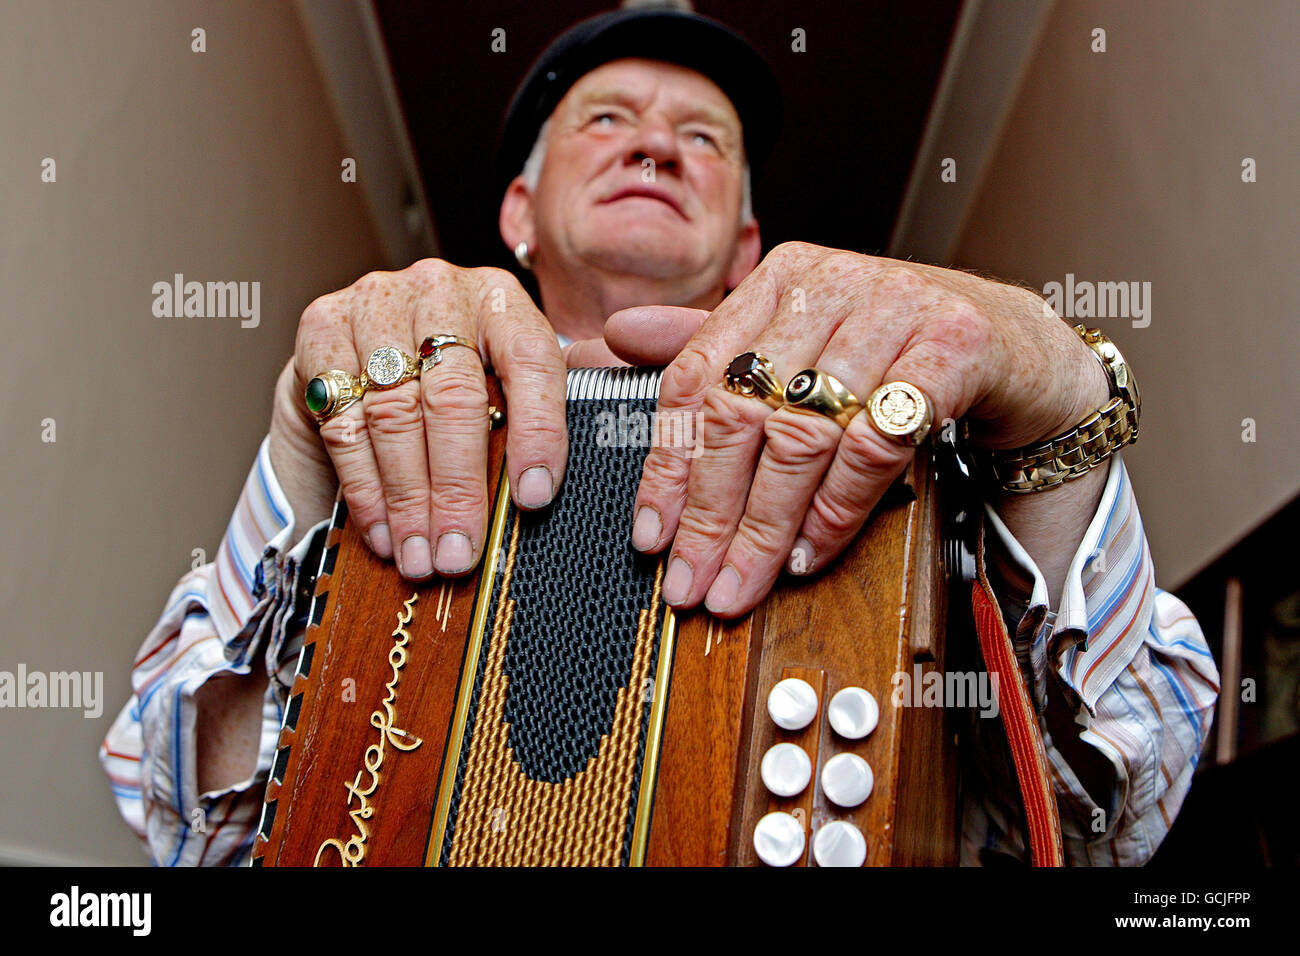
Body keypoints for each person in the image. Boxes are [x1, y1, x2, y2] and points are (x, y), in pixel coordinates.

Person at [99, 4, 1218, 866]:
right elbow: (181, 824)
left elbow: (1116, 819)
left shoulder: (898, 439)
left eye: (701, 137)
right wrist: (300, 447)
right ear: (516, 212)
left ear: (745, 246)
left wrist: (1054, 378)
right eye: (606, 120)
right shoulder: (362, 401)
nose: (655, 147)